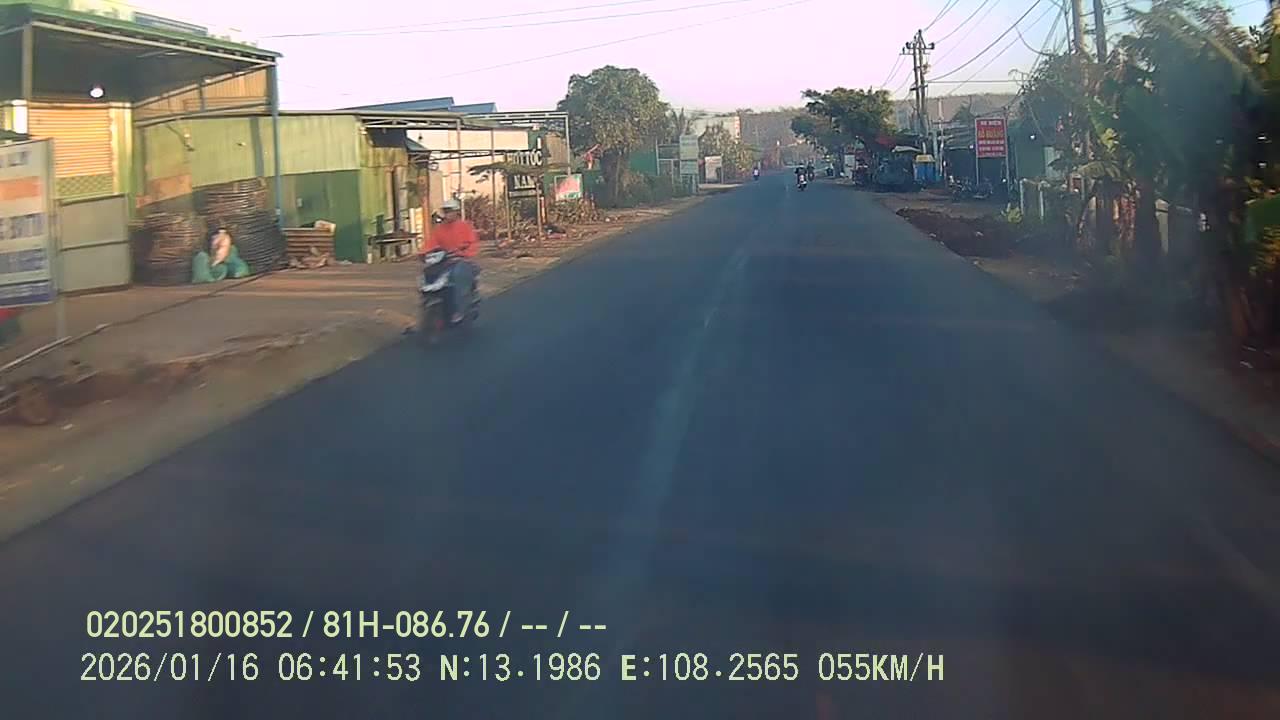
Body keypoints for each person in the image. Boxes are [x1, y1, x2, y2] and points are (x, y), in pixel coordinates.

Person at [423, 199, 479, 323]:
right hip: (444, 260)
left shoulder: (465, 226)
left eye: (450, 211)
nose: (447, 214)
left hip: (462, 260)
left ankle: (459, 310)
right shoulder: (440, 229)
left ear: (456, 212)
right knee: (429, 272)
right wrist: (423, 253)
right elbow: (430, 244)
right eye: (446, 211)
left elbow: (472, 244)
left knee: (457, 274)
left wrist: (462, 252)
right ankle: (429, 301)